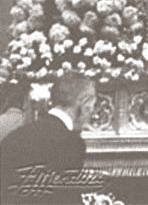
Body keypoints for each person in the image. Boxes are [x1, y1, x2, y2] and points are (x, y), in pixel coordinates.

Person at [0, 72, 97, 205]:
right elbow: (66, 199)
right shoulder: (70, 143)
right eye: (92, 106)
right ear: (83, 103)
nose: (92, 114)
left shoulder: (13, 138)